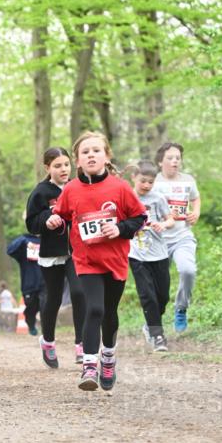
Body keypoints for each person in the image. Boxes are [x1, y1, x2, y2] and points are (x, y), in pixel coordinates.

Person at [48, 131, 146, 392]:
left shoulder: (120, 188)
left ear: (106, 156)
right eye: (85, 152)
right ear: (77, 161)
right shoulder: (71, 189)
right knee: (95, 309)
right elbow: (60, 217)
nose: (91, 155)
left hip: (114, 261)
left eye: (96, 151)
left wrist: (120, 229)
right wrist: (55, 222)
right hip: (86, 260)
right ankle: (89, 365)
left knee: (109, 313)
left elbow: (139, 218)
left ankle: (109, 357)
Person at [25, 145, 87, 369]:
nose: (63, 169)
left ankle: (81, 344)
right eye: (57, 166)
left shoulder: (78, 185)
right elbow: (31, 223)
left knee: (80, 293)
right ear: (47, 167)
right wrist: (46, 220)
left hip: (77, 251)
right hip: (52, 253)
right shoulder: (42, 192)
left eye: (66, 165)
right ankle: (48, 341)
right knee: (54, 299)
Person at [127, 160, 175, 352]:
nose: (146, 185)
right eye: (143, 181)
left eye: (150, 182)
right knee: (148, 296)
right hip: (136, 253)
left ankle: (150, 325)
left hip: (159, 253)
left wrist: (163, 225)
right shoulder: (126, 197)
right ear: (134, 178)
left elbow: (170, 219)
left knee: (162, 297)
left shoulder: (158, 198)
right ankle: (158, 336)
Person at [153, 141, 201, 333]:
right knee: (159, 288)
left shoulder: (188, 180)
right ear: (160, 162)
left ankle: (181, 308)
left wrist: (195, 213)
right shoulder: (153, 183)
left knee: (188, 270)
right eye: (170, 158)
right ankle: (153, 319)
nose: (175, 161)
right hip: (159, 240)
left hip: (183, 236)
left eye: (177, 158)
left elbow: (195, 198)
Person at [6, 228, 45, 336]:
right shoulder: (24, 240)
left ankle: (47, 333)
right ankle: (30, 323)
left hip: (46, 282)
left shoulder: (47, 239)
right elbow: (9, 250)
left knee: (46, 306)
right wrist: (24, 241)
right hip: (29, 284)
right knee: (31, 309)